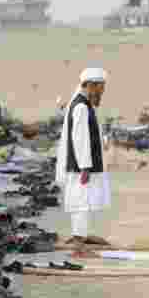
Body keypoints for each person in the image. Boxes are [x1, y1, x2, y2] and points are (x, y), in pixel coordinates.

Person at [56, 67, 112, 247]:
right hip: (81, 165)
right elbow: (79, 138)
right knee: (80, 200)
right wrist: (85, 166)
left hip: (82, 163)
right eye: (100, 89)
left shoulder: (84, 104)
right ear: (90, 86)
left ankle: (81, 234)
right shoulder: (80, 106)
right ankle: (79, 238)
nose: (102, 93)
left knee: (83, 199)